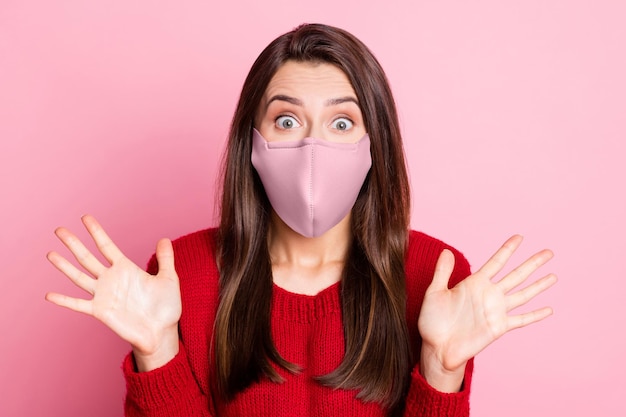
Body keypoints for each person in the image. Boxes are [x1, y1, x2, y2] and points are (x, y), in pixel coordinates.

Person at [45, 24, 557, 417]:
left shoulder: (432, 276)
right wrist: (158, 353)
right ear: (253, 142)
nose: (313, 146)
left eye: (342, 122)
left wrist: (440, 372)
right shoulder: (184, 273)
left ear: (374, 146)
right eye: (286, 120)